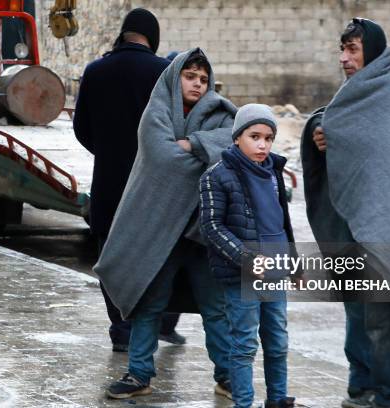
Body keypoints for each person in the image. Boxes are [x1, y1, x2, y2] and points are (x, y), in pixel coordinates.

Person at [300, 18, 390, 408]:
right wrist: (318, 131)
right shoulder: (352, 92)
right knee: (353, 314)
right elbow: (329, 120)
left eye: (352, 50)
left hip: (382, 225)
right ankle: (359, 385)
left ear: (372, 52)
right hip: (348, 223)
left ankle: (389, 394)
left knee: (379, 320)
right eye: (341, 50)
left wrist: (337, 135)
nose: (344, 59)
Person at [94, 48, 236, 400]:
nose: (198, 85)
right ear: (176, 78)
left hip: (202, 232)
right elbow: (162, 159)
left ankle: (228, 375)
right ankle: (140, 373)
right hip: (159, 231)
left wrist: (196, 143)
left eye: (204, 79)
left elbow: (235, 146)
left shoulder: (220, 113)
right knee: (149, 302)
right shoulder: (156, 113)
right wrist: (204, 156)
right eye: (190, 77)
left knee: (215, 308)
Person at [73, 8, 184, 353]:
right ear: (153, 37)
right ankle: (157, 323)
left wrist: (107, 150)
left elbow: (81, 128)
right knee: (157, 255)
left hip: (108, 182)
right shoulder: (162, 72)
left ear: (124, 33)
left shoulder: (95, 71)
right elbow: (176, 127)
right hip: (152, 183)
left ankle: (121, 328)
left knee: (111, 255)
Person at [199, 104, 300, 408]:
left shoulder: (273, 172)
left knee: (278, 342)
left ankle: (278, 399)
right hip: (243, 273)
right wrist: (245, 258)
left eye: (268, 138)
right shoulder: (216, 176)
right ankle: (243, 403)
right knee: (244, 345)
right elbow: (211, 226)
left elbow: (281, 221)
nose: (262, 144)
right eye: (254, 136)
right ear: (237, 137)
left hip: (276, 269)